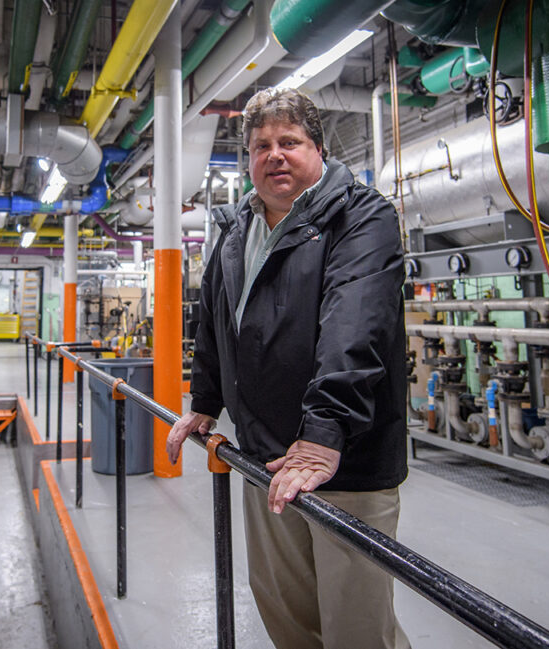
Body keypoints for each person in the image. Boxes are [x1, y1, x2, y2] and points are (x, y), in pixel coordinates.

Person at [166, 87, 411, 649]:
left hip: (342, 461)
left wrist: (323, 435)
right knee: (286, 614)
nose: (274, 154)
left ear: (317, 149)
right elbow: (216, 324)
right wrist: (205, 402)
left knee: (357, 628)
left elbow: (355, 325)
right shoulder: (233, 230)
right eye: (260, 146)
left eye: (289, 142)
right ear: (247, 159)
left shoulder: (363, 216)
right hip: (265, 459)